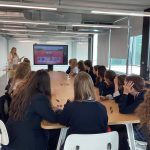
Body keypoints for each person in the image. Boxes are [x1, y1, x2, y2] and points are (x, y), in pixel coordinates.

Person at [6, 70, 57, 150]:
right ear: (46, 84)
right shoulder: (39, 97)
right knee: (54, 133)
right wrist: (61, 111)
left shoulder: (22, 92)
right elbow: (53, 118)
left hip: (11, 136)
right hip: (26, 143)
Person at [57, 71, 108, 136]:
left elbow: (62, 121)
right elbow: (104, 128)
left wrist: (63, 108)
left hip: (75, 145)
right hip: (97, 145)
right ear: (91, 86)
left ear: (76, 87)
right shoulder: (102, 107)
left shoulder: (70, 107)